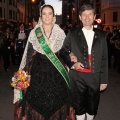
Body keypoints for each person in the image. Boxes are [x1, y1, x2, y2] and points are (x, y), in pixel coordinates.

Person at [13, 4, 75, 120]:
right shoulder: (34, 32)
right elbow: (28, 55)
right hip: (37, 72)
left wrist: (71, 56)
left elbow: (64, 52)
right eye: (44, 14)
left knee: (58, 102)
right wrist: (21, 74)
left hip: (56, 73)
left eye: (49, 13)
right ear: (41, 16)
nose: (47, 16)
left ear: (53, 16)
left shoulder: (60, 32)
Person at [59, 4, 108, 120]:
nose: (87, 17)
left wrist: (104, 80)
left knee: (92, 106)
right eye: (84, 15)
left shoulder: (101, 35)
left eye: (90, 14)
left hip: (95, 77)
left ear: (94, 16)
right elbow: (63, 52)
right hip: (77, 76)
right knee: (79, 106)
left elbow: (104, 58)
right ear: (80, 17)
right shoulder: (72, 33)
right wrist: (72, 64)